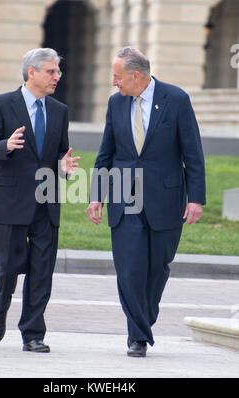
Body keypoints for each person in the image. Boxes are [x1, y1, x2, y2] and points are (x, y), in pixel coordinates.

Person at [87, 47, 206, 357]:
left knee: (157, 269)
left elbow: (192, 153)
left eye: (117, 76)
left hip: (165, 198)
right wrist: (96, 194)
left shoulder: (176, 99)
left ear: (135, 75)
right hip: (124, 196)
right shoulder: (115, 104)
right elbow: (105, 153)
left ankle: (143, 318)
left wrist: (196, 198)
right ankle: (137, 336)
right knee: (129, 269)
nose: (113, 82)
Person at [0, 48, 80, 353]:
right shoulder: (0, 104)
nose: (57, 77)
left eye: (57, 72)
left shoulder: (60, 110)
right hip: (10, 201)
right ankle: (0, 307)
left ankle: (33, 333)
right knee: (8, 267)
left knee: (42, 271)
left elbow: (61, 150)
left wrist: (64, 165)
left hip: (46, 202)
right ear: (31, 72)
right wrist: (5, 145)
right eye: (51, 72)